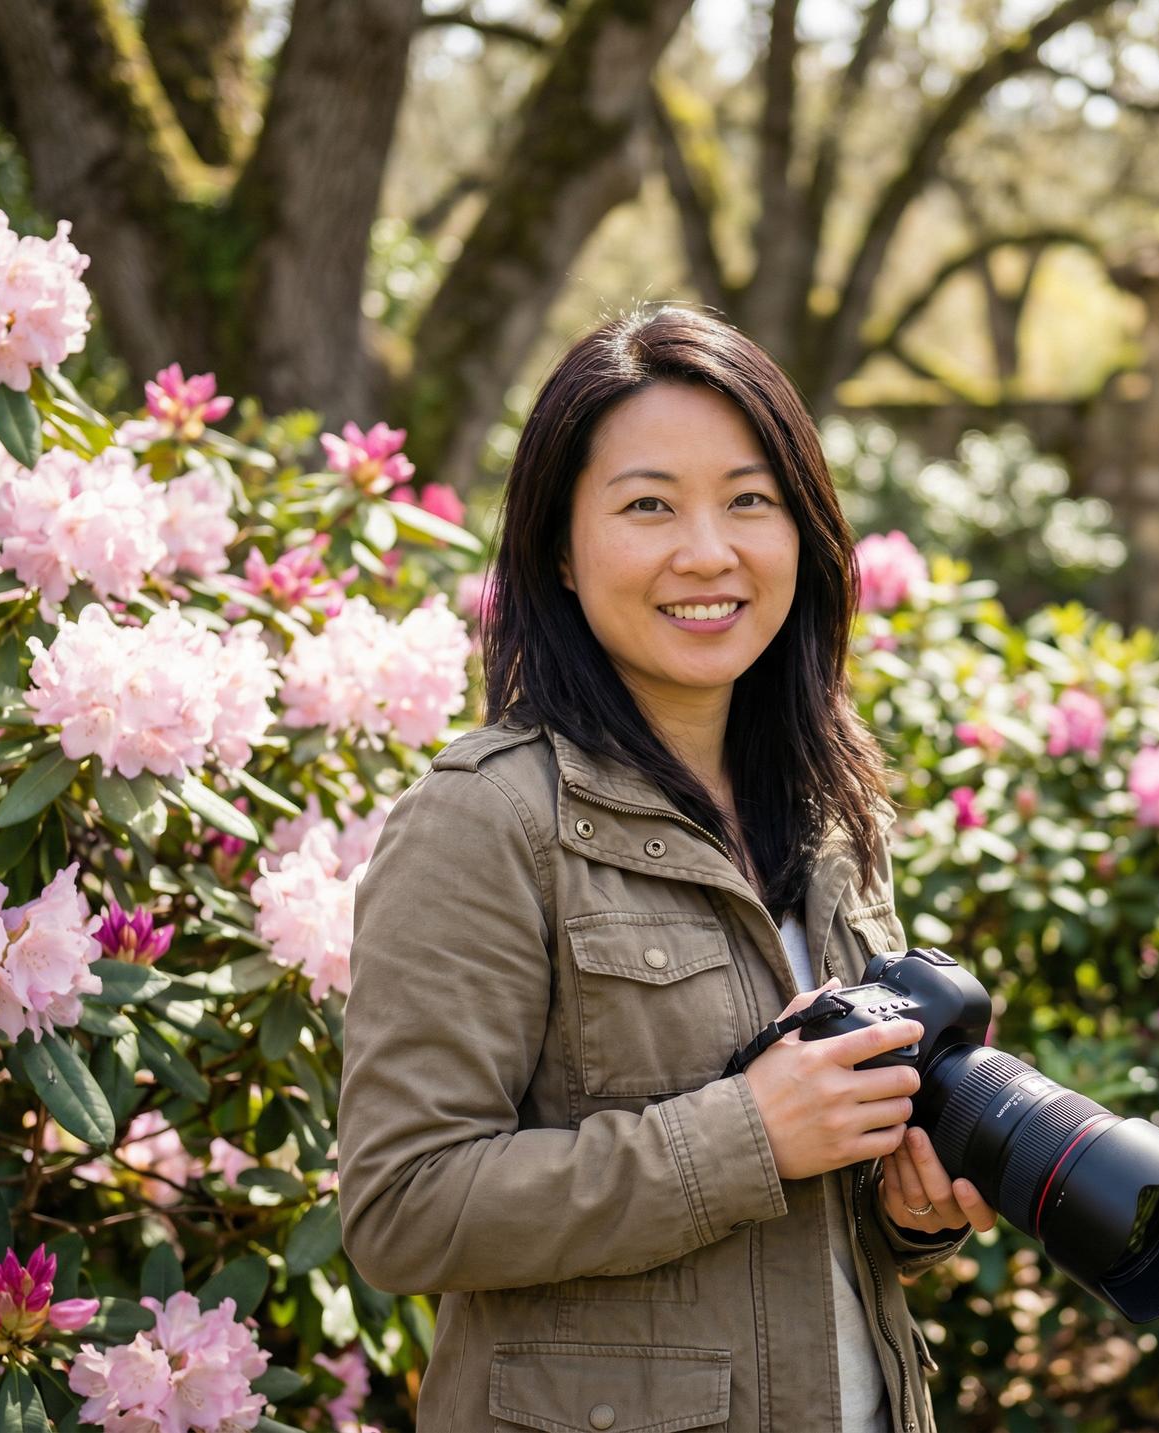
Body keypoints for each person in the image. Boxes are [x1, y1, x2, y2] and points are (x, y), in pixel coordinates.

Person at [337, 303, 1000, 1433]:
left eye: (751, 500)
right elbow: (404, 1207)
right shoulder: (488, 817)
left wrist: (912, 1208)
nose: (710, 550)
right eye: (649, 504)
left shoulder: (830, 805)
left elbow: (813, 1226)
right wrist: (746, 1134)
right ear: (559, 543)